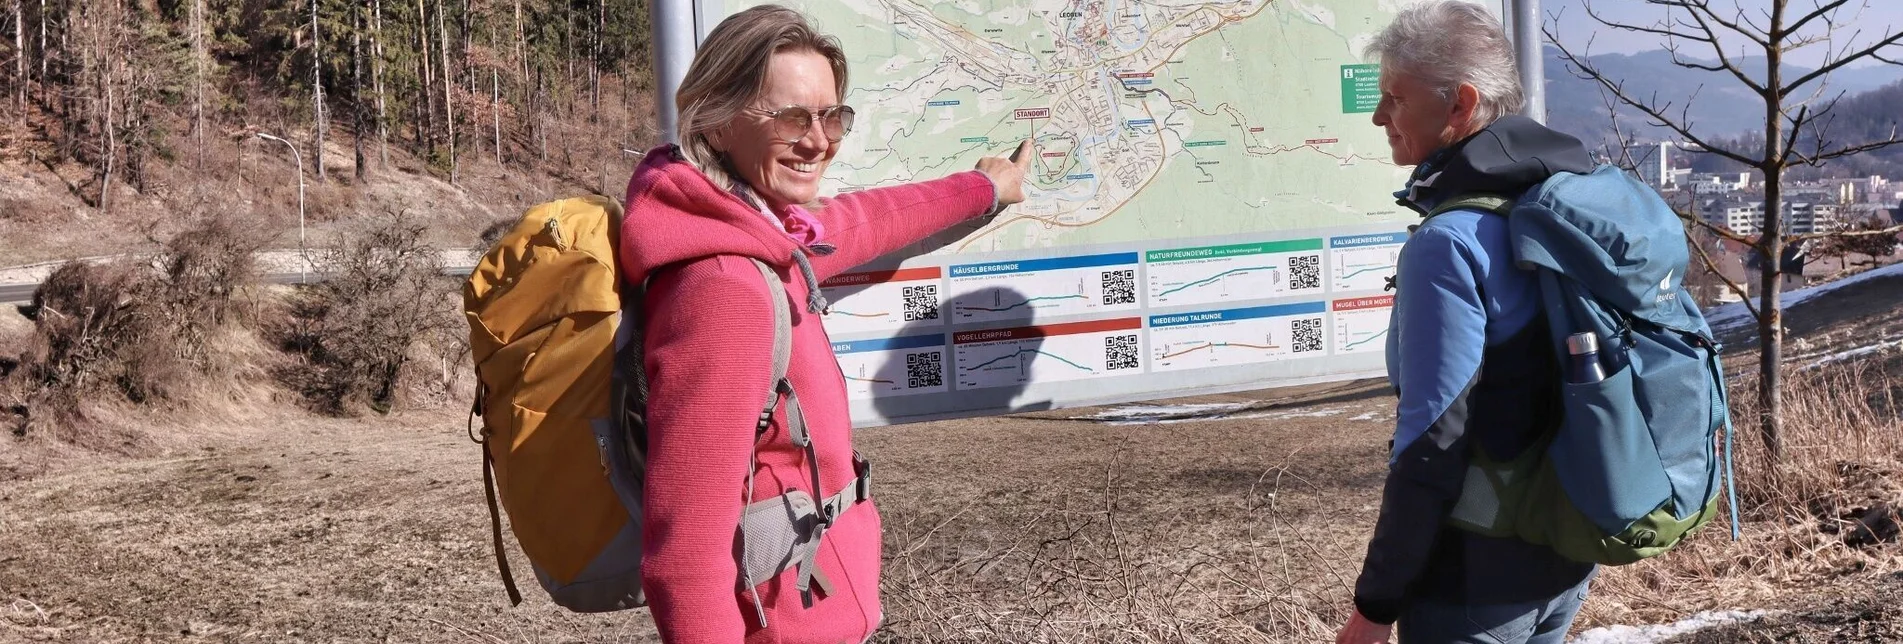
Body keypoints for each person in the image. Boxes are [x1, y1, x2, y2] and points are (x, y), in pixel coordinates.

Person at [617, 5, 1032, 643]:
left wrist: (983, 187)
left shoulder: (766, 226)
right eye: (791, 117)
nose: (819, 141)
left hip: (818, 611)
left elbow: (868, 218)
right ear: (720, 121)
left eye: (830, 115)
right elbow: (685, 553)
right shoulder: (723, 286)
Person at [1335, 2, 1599, 643]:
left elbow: (1433, 440)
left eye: (1395, 98)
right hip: (1565, 550)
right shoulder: (1558, 200)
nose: (1379, 117)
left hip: (1474, 579)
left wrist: (1374, 608)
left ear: (1460, 105)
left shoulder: (1449, 243)